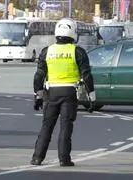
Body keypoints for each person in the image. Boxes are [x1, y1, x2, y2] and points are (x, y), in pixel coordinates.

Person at [31, 17, 96, 167]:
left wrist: (38, 96)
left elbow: (39, 76)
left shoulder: (47, 51)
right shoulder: (78, 52)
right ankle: (64, 159)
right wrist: (92, 97)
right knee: (66, 127)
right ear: (73, 33)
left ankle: (37, 158)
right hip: (69, 92)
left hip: (51, 92)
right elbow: (87, 75)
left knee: (47, 126)